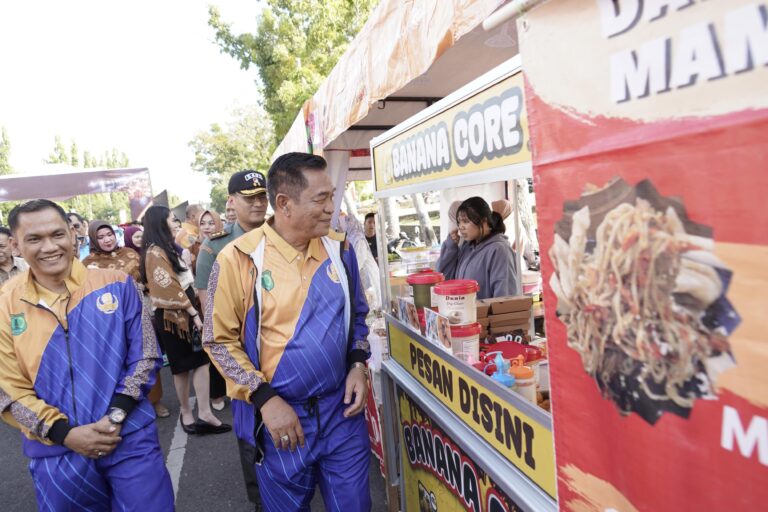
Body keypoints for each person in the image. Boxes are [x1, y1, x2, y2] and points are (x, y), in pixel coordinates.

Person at [205, 152, 372, 511]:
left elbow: (359, 316)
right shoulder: (238, 259)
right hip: (281, 420)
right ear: (284, 203)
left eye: (332, 196)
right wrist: (266, 399)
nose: (332, 207)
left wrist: (358, 363)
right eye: (321, 198)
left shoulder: (340, 249)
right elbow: (217, 341)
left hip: (342, 414)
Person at [0, 199, 173, 511]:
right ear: (15, 245)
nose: (50, 247)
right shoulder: (4, 304)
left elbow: (146, 355)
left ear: (72, 234)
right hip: (56, 451)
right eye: (34, 239)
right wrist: (64, 433)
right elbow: (7, 390)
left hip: (128, 437)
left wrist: (117, 415)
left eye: (57, 234)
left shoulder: (117, 283)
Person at [194, 169, 268, 507]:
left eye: (262, 196)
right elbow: (209, 307)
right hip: (242, 355)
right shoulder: (217, 246)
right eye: (248, 197)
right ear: (232, 202)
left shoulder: (282, 235)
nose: (257, 203)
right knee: (253, 438)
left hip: (284, 352)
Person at [140, 205, 231, 436]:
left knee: (201, 361)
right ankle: (186, 412)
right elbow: (168, 288)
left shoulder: (168, 247)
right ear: (160, 222)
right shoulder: (153, 252)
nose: (176, 222)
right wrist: (194, 314)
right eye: (172, 219)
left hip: (188, 312)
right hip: (174, 318)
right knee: (181, 368)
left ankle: (205, 412)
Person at [437, 196, 520, 299]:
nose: (461, 227)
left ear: (484, 221)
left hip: (483, 315)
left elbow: (505, 299)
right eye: (459, 222)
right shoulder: (467, 247)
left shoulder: (499, 250)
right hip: (464, 313)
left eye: (466, 221)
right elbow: (444, 281)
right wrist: (450, 247)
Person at [196, 209, 227, 412]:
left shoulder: (227, 243)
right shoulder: (190, 247)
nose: (207, 227)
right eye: (203, 223)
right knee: (215, 352)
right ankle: (217, 394)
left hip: (228, 300)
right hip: (205, 302)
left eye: (211, 223)